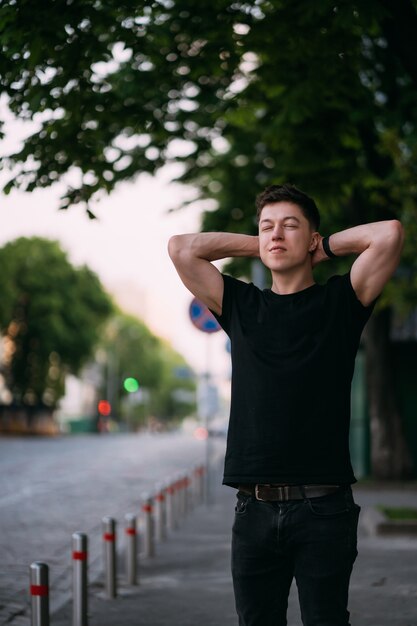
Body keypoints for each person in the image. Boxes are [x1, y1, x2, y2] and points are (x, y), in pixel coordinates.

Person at [168, 184, 404, 626]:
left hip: (325, 508)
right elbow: (182, 248)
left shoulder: (342, 301)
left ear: (312, 236)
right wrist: (260, 244)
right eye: (266, 227)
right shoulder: (240, 304)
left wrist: (326, 246)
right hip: (252, 508)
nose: (275, 235)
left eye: (289, 226)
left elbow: (388, 233)